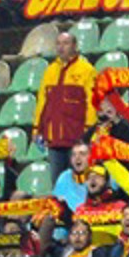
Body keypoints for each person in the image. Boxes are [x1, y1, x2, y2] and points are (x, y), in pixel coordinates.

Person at [34, 30, 97, 186]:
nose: (61, 47)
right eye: (58, 43)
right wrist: (36, 129)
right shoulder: (50, 71)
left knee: (79, 182)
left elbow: (92, 103)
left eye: (65, 43)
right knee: (58, 184)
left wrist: (89, 132)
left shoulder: (86, 70)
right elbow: (42, 102)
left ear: (74, 46)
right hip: (54, 140)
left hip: (77, 139)